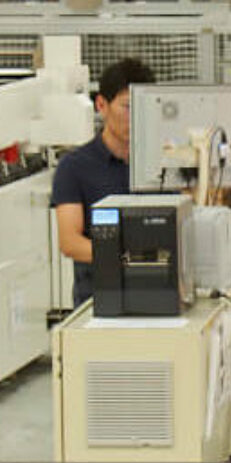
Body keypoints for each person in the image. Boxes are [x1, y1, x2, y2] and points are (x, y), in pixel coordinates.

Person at [51, 58, 156, 308]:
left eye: (145, 106)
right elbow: (70, 242)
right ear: (101, 105)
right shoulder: (74, 167)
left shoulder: (162, 163)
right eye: (128, 107)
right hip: (98, 301)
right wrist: (130, 260)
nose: (136, 117)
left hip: (157, 293)